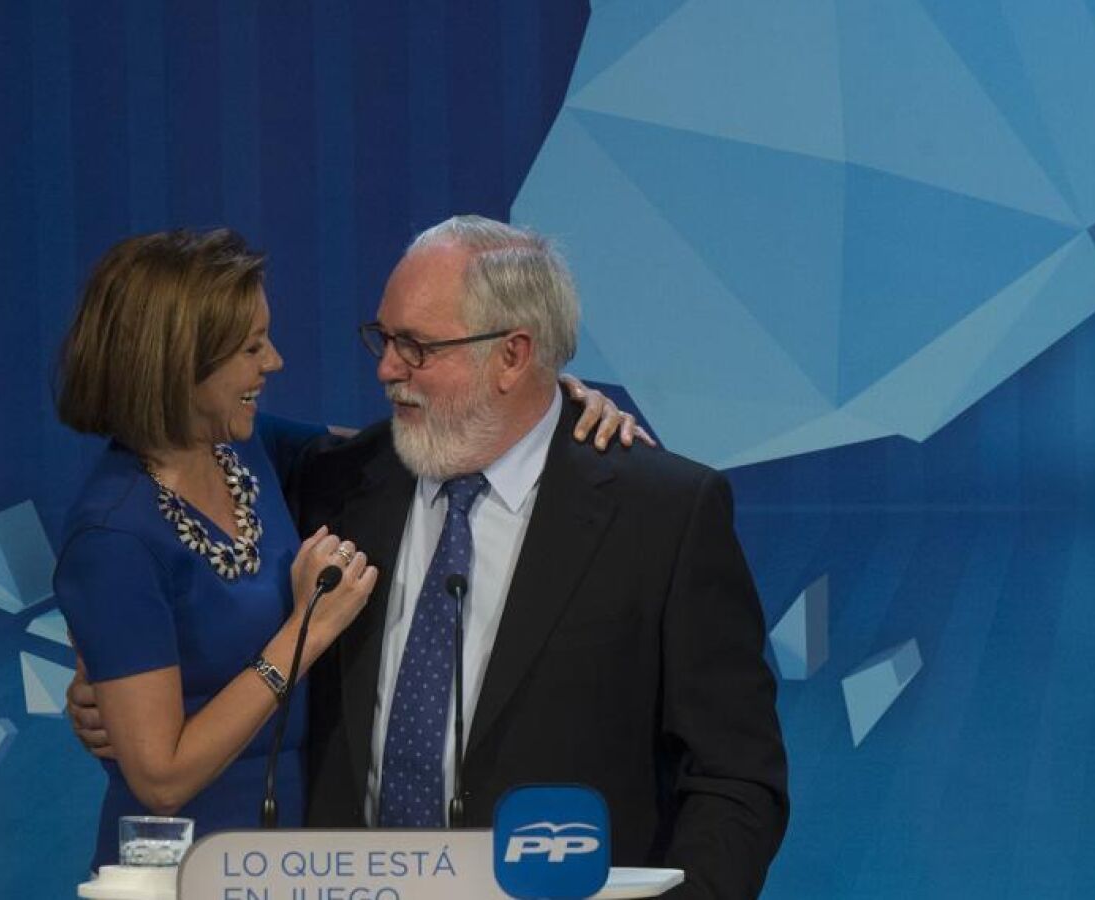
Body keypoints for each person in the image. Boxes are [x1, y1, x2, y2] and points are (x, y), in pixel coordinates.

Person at [55, 228, 644, 872]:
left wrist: (548, 395)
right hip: (189, 869)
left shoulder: (244, 448)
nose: (274, 361)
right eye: (251, 347)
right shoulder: (112, 536)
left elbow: (401, 442)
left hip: (295, 862)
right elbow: (161, 779)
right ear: (178, 363)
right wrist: (306, 633)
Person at [289, 216, 788, 898]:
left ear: (513, 355)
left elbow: (734, 775)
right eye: (384, 337)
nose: (386, 369)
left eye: (416, 347)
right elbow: (195, 430)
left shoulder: (663, 515)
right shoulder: (334, 481)